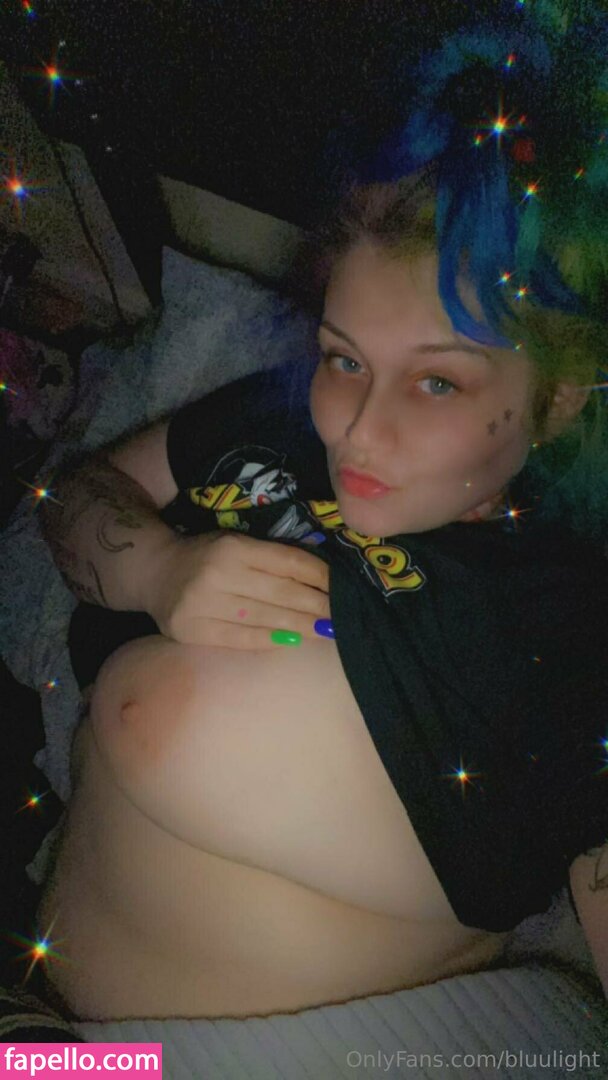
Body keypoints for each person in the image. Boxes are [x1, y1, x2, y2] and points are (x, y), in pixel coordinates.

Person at [36, 5, 608, 1020]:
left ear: (556, 399)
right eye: (346, 358)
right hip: (48, 1031)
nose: (359, 432)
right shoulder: (290, 413)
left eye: (437, 383)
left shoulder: (561, 605)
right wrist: (151, 569)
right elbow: (75, 496)